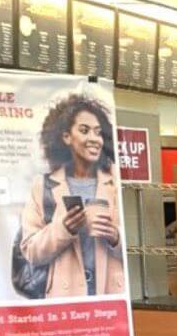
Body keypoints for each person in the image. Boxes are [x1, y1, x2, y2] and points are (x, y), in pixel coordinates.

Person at [20, 93, 124, 298]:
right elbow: (31, 251)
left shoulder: (117, 183)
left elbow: (138, 249)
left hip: (110, 297)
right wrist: (63, 228)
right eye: (84, 130)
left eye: (98, 132)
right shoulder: (44, 186)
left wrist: (116, 237)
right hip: (66, 303)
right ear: (66, 136)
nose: (94, 139)